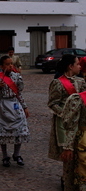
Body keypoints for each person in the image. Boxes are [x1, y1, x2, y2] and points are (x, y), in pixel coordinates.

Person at [48, 54, 86, 191]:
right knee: (67, 153)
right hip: (63, 123)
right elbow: (52, 103)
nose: (80, 66)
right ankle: (67, 178)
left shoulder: (81, 82)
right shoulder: (57, 83)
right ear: (71, 66)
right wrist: (65, 113)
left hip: (79, 122)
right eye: (77, 64)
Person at [0, 55, 30, 167]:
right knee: (3, 130)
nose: (10, 66)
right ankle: (5, 156)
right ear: (1, 66)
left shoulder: (17, 77)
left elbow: (19, 92)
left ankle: (17, 154)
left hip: (15, 104)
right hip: (2, 106)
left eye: (11, 63)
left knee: (19, 128)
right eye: (7, 64)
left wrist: (25, 106)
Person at [60, 91, 86, 191]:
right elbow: (71, 126)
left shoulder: (79, 98)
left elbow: (69, 124)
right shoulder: (79, 99)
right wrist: (68, 147)